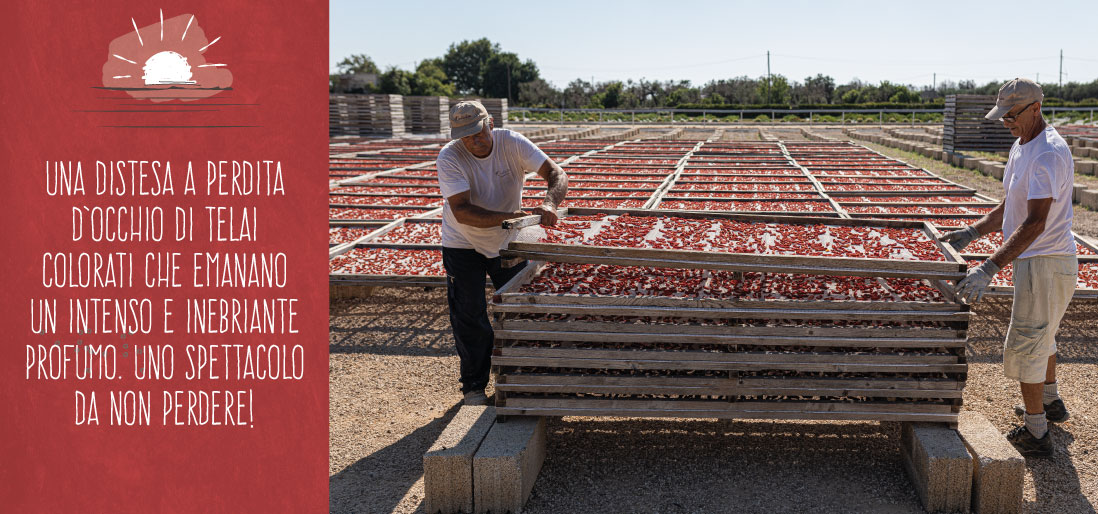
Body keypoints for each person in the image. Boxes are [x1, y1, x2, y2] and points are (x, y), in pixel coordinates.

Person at [939, 78, 1077, 457]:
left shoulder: (1047, 153)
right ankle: (1050, 403)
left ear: (1035, 108)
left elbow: (1034, 222)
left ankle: (1036, 433)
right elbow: (1012, 203)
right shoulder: (1022, 146)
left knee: (1028, 344)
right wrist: (974, 230)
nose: (1006, 123)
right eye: (1002, 117)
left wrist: (990, 267)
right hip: (1041, 261)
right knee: (1043, 333)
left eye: (1012, 115)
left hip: (1044, 261)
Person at [436, 100, 568, 406]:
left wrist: (549, 203)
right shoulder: (450, 157)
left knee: (520, 308)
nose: (474, 140)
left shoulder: (512, 143)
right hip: (462, 242)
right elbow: (463, 212)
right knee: (469, 315)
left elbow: (557, 174)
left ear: (490, 123)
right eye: (466, 136)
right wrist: (512, 217)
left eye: (479, 132)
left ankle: (521, 378)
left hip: (508, 242)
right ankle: (473, 386)